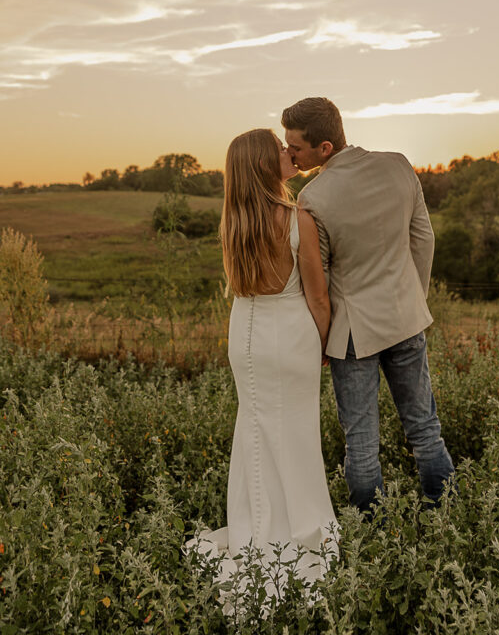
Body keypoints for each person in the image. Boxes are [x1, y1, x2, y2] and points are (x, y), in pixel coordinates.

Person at [185, 128, 338, 604]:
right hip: (291, 334)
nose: (285, 150)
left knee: (253, 428)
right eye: (276, 147)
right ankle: (299, 526)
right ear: (262, 163)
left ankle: (258, 526)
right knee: (295, 431)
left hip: (246, 333)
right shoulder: (298, 219)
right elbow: (317, 296)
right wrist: (327, 344)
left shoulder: (233, 221)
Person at [282, 97, 455, 514]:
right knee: (424, 427)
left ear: (325, 148)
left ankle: (369, 533)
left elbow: (317, 283)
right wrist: (413, 299)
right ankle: (444, 511)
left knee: (360, 441)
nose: (289, 154)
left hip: (352, 335)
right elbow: (424, 240)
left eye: (296, 148)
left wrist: (321, 341)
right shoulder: (398, 165)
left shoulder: (313, 198)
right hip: (405, 318)